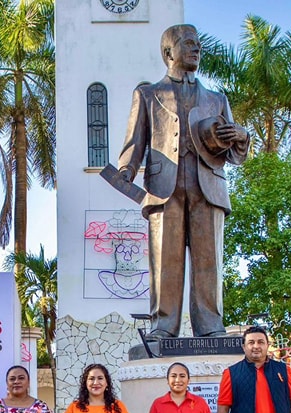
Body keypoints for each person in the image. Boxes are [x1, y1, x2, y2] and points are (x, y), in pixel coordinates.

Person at [117, 23, 250, 338]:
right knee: (165, 261)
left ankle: (211, 327)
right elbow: (135, 140)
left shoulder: (217, 99)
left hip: (209, 187)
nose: (196, 49)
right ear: (168, 52)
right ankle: (163, 326)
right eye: (188, 43)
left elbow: (235, 155)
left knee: (210, 262)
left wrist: (241, 136)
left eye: (198, 44)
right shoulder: (148, 94)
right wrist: (127, 168)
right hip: (165, 188)